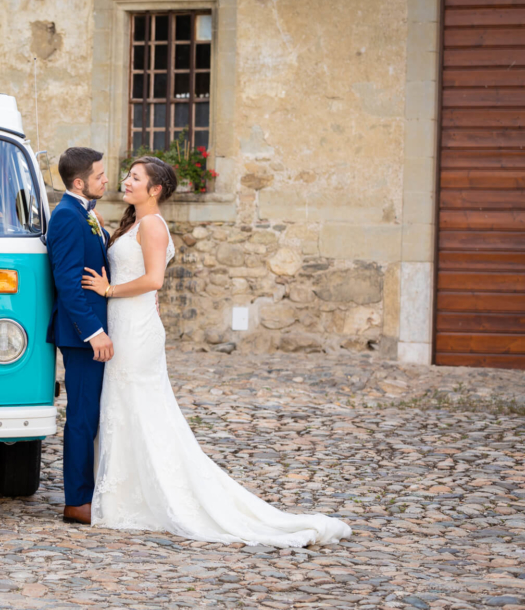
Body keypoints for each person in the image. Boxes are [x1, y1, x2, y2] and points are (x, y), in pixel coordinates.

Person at [80, 156, 351, 546]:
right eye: (127, 175)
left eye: (135, 177)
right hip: (125, 324)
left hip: (137, 329)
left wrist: (109, 290)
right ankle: (125, 494)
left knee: (141, 407)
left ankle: (154, 496)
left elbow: (154, 279)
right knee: (124, 408)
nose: (125, 180)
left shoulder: (153, 225)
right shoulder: (135, 223)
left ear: (155, 189)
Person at [45, 147, 113, 525]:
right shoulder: (68, 217)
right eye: (100, 176)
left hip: (93, 332)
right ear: (78, 182)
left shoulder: (83, 213)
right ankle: (77, 501)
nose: (106, 180)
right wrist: (93, 333)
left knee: (92, 415)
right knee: (82, 418)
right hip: (82, 337)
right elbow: (68, 285)